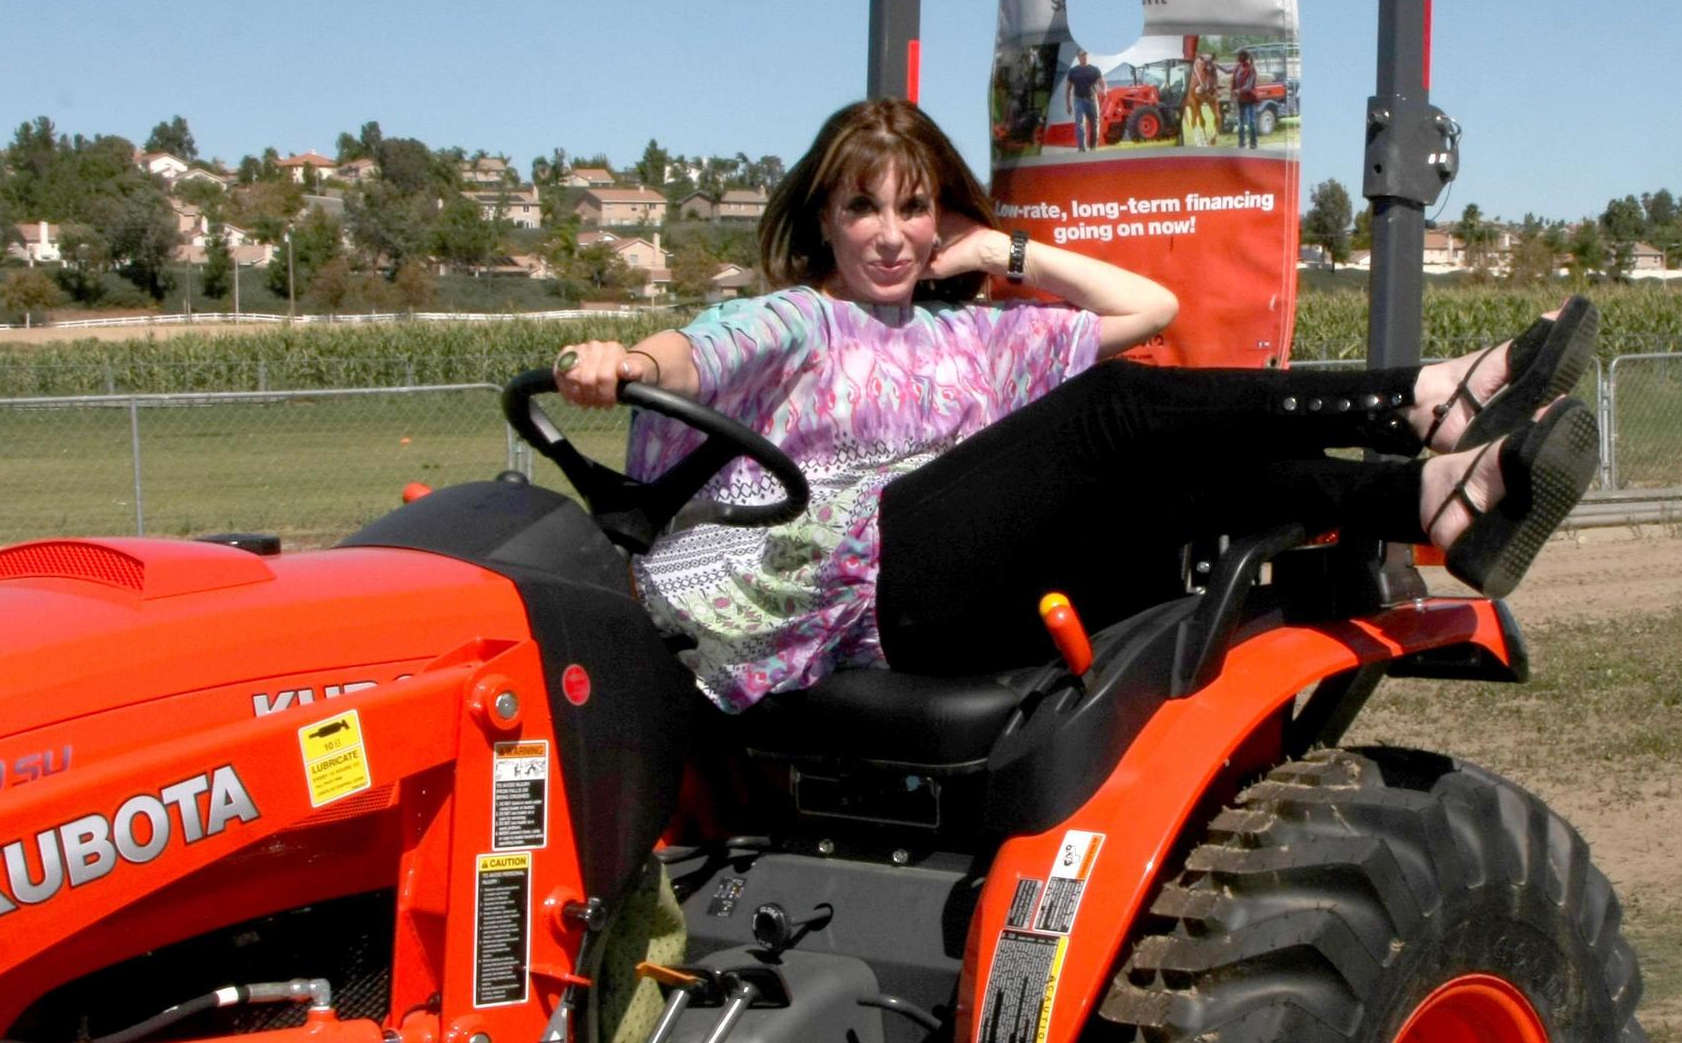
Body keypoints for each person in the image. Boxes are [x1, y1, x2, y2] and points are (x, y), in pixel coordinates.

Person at [555, 99, 1597, 712]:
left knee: (1177, 469)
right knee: (1114, 409)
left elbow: (1151, 308)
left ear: (940, 216)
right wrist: (617, 358)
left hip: (951, 594)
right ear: (822, 216)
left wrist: (1002, 249)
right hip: (848, 598)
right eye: (862, 206)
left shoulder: (969, 338)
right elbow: (694, 355)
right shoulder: (796, 323)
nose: (888, 234)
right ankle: (1416, 403)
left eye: (912, 208)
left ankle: (1426, 497)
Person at [1063, 47, 1104, 150]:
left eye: (1085, 54)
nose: (1084, 56)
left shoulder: (1094, 69)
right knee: (1080, 125)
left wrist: (1104, 90)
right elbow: (1068, 88)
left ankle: (1093, 148)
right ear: (1078, 57)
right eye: (1082, 55)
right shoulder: (1073, 71)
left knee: (1095, 124)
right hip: (1079, 100)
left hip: (1092, 100)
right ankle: (1082, 149)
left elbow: (1102, 82)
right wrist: (1068, 104)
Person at [1181, 51, 1222, 147]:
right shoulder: (1197, 63)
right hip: (1197, 86)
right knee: (1197, 115)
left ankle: (1214, 135)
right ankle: (1199, 138)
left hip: (1207, 84)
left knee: (1217, 116)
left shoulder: (1210, 65)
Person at [1230, 48, 1261, 149]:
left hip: (1250, 99)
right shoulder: (1238, 67)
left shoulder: (1251, 69)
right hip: (1241, 99)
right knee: (1241, 123)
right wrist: (1215, 64)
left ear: (1243, 57)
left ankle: (1253, 143)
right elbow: (1227, 70)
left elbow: (1248, 86)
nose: (1237, 58)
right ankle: (1241, 143)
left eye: (1238, 55)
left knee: (1251, 122)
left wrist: (1238, 91)